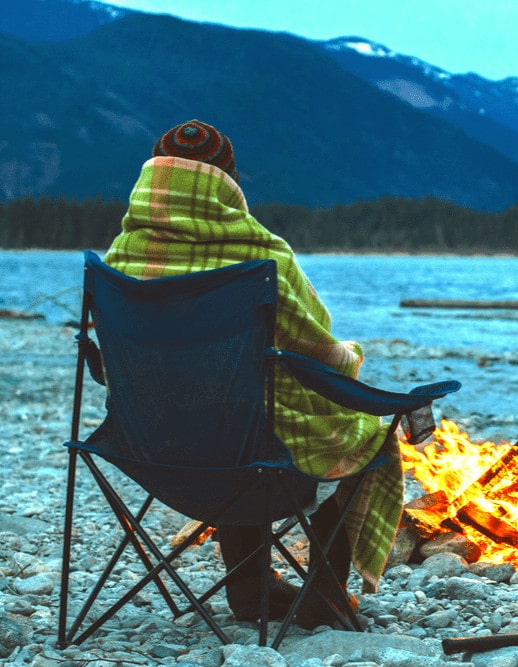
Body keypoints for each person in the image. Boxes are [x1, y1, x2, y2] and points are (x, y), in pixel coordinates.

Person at [104, 120, 402, 628]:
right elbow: (317, 349)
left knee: (231, 418)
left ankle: (249, 588)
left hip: (149, 444)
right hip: (248, 449)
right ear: (230, 183)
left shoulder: (118, 260)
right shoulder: (261, 256)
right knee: (368, 438)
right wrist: (351, 358)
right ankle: (325, 595)